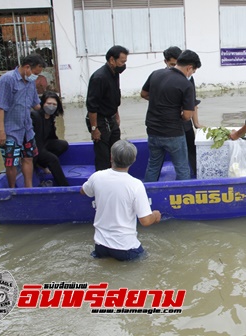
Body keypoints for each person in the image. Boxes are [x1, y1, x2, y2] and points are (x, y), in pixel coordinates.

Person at [80, 140, 161, 261]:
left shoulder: (97, 177)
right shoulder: (136, 185)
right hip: (126, 248)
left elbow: (83, 191)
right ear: (133, 160)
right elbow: (145, 221)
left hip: (101, 246)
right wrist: (155, 215)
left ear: (111, 157)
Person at [140, 49, 201, 182]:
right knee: (182, 168)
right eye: (193, 71)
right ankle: (183, 197)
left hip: (153, 130)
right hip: (173, 133)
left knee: (153, 166)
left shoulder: (155, 74)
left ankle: (148, 195)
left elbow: (144, 94)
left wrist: (159, 101)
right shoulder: (186, 84)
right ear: (189, 68)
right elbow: (187, 116)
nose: (192, 74)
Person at [0, 54, 46, 188]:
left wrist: (51, 106)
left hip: (26, 128)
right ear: (27, 67)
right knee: (11, 163)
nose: (36, 76)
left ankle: (29, 188)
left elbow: (36, 105)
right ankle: (12, 189)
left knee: (28, 158)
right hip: (10, 129)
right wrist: (1, 131)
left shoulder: (31, 82)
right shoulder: (7, 80)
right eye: (35, 73)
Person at [86, 45, 129, 171]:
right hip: (100, 120)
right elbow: (92, 106)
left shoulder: (115, 74)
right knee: (103, 156)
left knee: (116, 151)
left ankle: (115, 176)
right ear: (112, 60)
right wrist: (94, 128)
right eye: (122, 62)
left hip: (111, 117)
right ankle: (102, 180)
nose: (124, 65)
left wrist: (116, 115)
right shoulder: (99, 77)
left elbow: (113, 97)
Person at [31, 91, 69, 186]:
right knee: (53, 159)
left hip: (45, 143)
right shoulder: (35, 116)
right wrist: (47, 156)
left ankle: (41, 164)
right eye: (48, 103)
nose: (51, 106)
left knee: (63, 145)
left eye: (54, 104)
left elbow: (52, 136)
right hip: (34, 148)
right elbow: (36, 142)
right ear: (43, 103)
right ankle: (64, 186)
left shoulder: (51, 117)